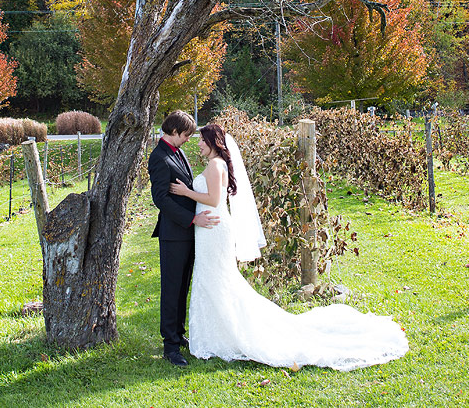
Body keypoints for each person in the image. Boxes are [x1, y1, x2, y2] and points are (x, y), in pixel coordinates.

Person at [168, 123, 409, 370]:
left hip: (214, 228)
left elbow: (214, 199)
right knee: (214, 280)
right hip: (209, 228)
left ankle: (224, 333)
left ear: (212, 142)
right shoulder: (215, 164)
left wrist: (186, 192)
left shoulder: (215, 165)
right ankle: (216, 332)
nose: (198, 144)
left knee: (217, 280)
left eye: (201, 141)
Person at [148, 110, 220, 367]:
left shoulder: (177, 153)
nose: (189, 139)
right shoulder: (158, 157)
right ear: (175, 131)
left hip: (188, 234)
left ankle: (178, 335)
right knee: (171, 289)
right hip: (173, 234)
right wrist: (192, 219)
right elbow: (161, 199)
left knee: (183, 287)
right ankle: (170, 346)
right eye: (187, 134)